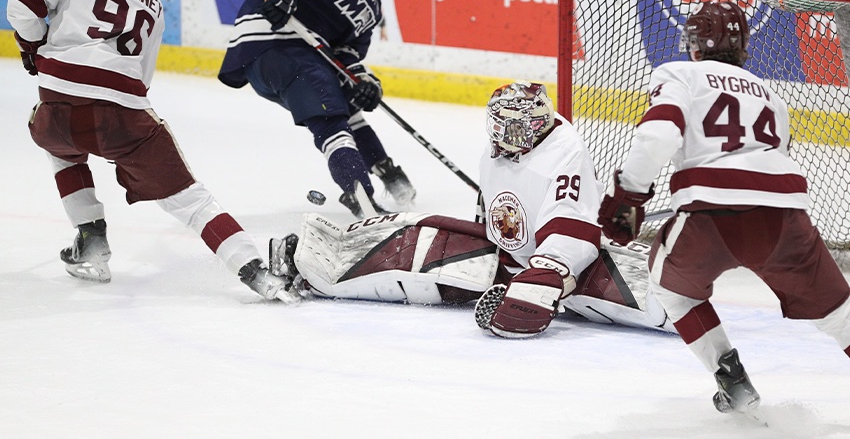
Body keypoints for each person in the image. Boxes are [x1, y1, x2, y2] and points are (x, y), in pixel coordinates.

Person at [6, 0, 297, 303]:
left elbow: (22, 0)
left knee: (58, 146)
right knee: (192, 201)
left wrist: (33, 46)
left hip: (57, 106)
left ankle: (90, 237)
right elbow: (140, 83)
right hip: (122, 115)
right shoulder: (154, 3)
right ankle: (255, 270)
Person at [267, 81, 675, 339]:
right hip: (507, 260)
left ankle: (682, 300)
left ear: (538, 124)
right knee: (420, 240)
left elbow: (573, 229)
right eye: (502, 128)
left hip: (565, 269)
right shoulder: (501, 148)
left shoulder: (565, 152)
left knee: (636, 290)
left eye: (517, 130)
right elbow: (493, 215)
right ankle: (315, 265)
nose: (507, 137)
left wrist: (544, 280)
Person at [597, 1, 850, 414]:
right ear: (743, 47)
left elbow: (658, 135)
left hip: (710, 217)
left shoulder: (680, 73)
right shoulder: (771, 96)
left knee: (672, 290)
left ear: (694, 45)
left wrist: (629, 195)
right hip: (783, 216)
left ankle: (733, 381)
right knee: (841, 316)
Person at [218, 0, 417, 218]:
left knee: (347, 104)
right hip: (272, 40)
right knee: (329, 112)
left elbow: (347, 54)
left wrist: (364, 82)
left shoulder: (371, 9)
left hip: (302, 54)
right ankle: (362, 201)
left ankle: (387, 173)